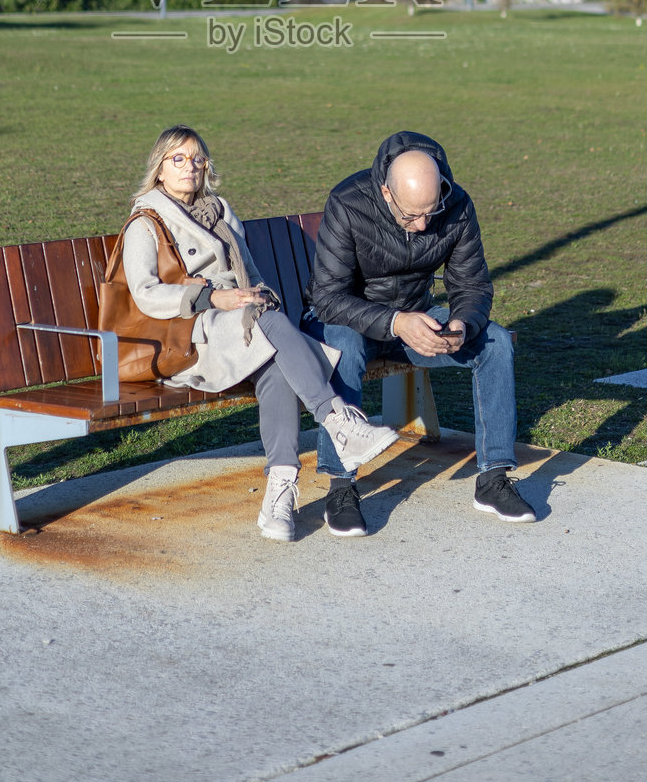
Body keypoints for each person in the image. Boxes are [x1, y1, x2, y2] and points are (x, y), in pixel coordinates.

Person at [121, 126, 397, 542]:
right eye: (178, 159)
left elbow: (252, 274)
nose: (189, 167)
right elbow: (145, 294)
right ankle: (337, 422)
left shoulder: (220, 213)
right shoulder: (145, 223)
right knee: (268, 327)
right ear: (159, 168)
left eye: (197, 159)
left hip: (237, 327)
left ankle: (278, 497)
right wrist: (214, 297)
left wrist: (256, 296)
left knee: (275, 362)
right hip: (189, 338)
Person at [302, 131, 535, 537]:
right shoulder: (348, 202)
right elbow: (328, 299)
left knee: (495, 342)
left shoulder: (456, 204)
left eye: (431, 211)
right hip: (348, 319)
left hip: (417, 316)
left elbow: (472, 285)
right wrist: (397, 322)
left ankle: (493, 479)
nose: (424, 224)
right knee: (344, 347)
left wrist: (462, 324)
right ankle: (341, 488)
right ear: (386, 193)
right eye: (412, 216)